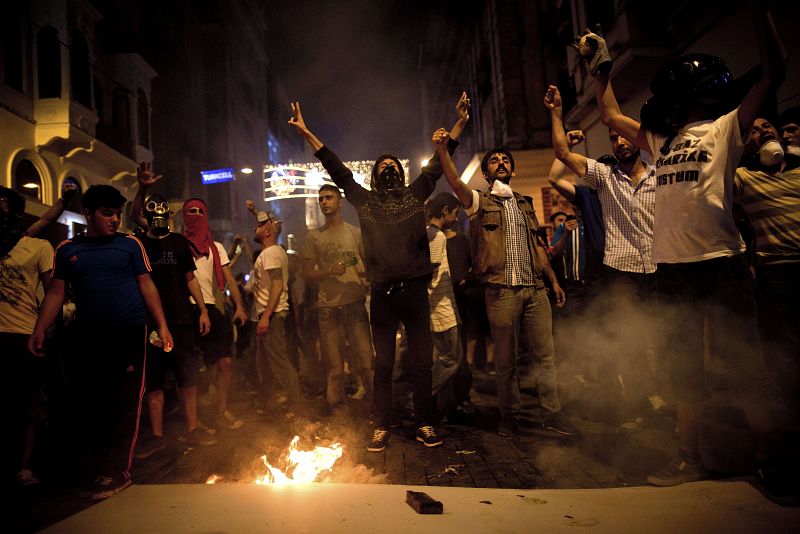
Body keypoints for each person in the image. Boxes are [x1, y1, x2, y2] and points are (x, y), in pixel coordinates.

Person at [576, 5, 789, 495]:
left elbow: (773, 74)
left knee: (744, 364)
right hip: (673, 269)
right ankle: (689, 458)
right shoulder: (661, 141)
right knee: (682, 369)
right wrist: (601, 68)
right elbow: (609, 115)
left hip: (719, 263)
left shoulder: (725, 128)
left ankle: (769, 459)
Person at [288, 94, 470, 452]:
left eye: (393, 166)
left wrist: (460, 122)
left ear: (401, 174)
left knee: (422, 363)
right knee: (382, 364)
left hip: (415, 294)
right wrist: (306, 132)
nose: (389, 169)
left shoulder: (415, 195)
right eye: (383, 166)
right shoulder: (365, 200)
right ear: (374, 176)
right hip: (383, 296)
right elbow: (334, 166)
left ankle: (425, 423)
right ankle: (381, 424)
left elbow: (440, 159)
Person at [28, 184, 173, 500]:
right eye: (107, 213)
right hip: (89, 334)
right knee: (93, 402)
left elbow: (147, 285)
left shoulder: (130, 245)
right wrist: (40, 328)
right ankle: (96, 466)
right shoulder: (67, 249)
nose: (114, 219)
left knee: (126, 402)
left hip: (129, 332)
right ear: (88, 214)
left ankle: (118, 471)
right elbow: (56, 292)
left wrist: (162, 326)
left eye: (117, 213)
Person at [434, 127, 575, 439]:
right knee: (505, 360)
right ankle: (510, 415)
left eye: (505, 160)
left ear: (513, 170)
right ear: (486, 173)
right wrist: (443, 151)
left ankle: (552, 413)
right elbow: (456, 182)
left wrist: (552, 281)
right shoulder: (479, 202)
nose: (501, 162)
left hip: (535, 290)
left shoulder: (525, 203)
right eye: (494, 160)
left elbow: (538, 246)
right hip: (501, 291)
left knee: (545, 357)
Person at [546, 84, 658, 427]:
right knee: (627, 342)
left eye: (624, 136)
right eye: (613, 138)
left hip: (659, 270)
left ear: (638, 137)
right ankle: (634, 407)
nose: (620, 142)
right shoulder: (605, 181)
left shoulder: (661, 175)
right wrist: (557, 113)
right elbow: (561, 156)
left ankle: (664, 401)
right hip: (619, 273)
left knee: (663, 340)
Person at [129, 162, 216, 456]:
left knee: (187, 376)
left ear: (168, 215)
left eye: (162, 212)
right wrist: (143, 188)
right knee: (154, 381)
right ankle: (156, 436)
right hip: (150, 322)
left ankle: (193, 428)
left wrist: (203, 310)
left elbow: (190, 278)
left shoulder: (178, 242)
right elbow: (134, 213)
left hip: (180, 320)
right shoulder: (140, 243)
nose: (158, 216)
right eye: (152, 211)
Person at [735, 117, 800, 420]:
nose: (763, 131)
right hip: (777, 271)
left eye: (767, 126)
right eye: (754, 130)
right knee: (788, 346)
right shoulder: (744, 176)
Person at [303, 184, 373, 414]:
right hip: (328, 308)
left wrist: (365, 277)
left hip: (354, 304)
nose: (324, 202)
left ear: (339, 202)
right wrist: (327, 271)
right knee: (334, 366)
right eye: (321, 199)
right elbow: (307, 274)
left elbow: (369, 265)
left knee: (366, 361)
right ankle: (338, 411)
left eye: (329, 197)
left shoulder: (355, 233)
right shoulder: (314, 237)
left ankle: (377, 407)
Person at [1, 187, 54, 487]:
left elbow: (52, 292)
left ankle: (25, 466)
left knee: (28, 404)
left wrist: (42, 329)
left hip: (23, 332)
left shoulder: (37, 247)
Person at [182, 198, 249, 431]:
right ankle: (192, 421)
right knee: (189, 368)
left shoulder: (216, 247)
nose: (196, 215)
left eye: (200, 211)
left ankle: (221, 411)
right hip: (186, 310)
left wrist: (239, 306)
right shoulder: (178, 244)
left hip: (212, 308)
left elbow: (229, 278)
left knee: (225, 362)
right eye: (191, 211)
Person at [251, 211, 302, 414]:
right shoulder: (272, 251)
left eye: (258, 226)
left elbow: (277, 284)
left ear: (268, 232)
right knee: (264, 364)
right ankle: (268, 405)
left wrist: (266, 316)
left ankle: (298, 407)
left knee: (279, 362)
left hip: (271, 316)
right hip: (269, 315)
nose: (254, 228)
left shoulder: (271, 253)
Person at [425, 193, 465, 420]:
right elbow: (430, 270)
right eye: (455, 212)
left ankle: (443, 409)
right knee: (451, 359)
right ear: (445, 211)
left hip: (438, 307)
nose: (457, 218)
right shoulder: (437, 235)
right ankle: (418, 399)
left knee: (444, 358)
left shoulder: (428, 233)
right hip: (441, 309)